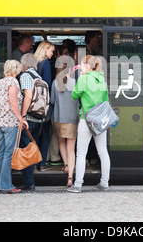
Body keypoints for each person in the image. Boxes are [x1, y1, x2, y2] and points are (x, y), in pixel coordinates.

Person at [68, 55, 111, 193]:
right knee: (103, 151)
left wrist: (81, 77)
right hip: (100, 119)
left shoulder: (84, 79)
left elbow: (74, 95)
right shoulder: (102, 80)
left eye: (81, 65)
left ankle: (78, 185)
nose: (80, 67)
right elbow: (106, 101)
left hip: (85, 120)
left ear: (87, 66)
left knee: (81, 153)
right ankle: (104, 183)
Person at [0, 59, 27, 194]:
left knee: (1, 153)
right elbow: (13, 102)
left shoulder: (0, 82)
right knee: (8, 154)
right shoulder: (13, 82)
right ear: (15, 69)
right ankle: (6, 185)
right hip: (10, 123)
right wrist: (21, 119)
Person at [50, 47, 79, 188]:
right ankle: (70, 177)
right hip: (72, 119)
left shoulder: (55, 83)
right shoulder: (75, 83)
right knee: (71, 148)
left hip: (58, 118)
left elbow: (52, 101)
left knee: (61, 142)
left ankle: (66, 165)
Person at [19, 53, 41, 190]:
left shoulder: (26, 76)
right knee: (31, 149)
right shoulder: (38, 77)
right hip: (38, 118)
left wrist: (22, 116)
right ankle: (29, 180)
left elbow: (28, 96)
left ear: (24, 65)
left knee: (26, 151)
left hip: (29, 119)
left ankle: (29, 183)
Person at [33, 40, 55, 170]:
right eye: (51, 50)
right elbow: (47, 84)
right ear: (45, 49)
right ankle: (41, 163)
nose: (52, 53)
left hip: (34, 103)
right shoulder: (46, 63)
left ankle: (33, 162)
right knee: (45, 132)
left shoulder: (35, 62)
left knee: (35, 133)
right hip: (44, 104)